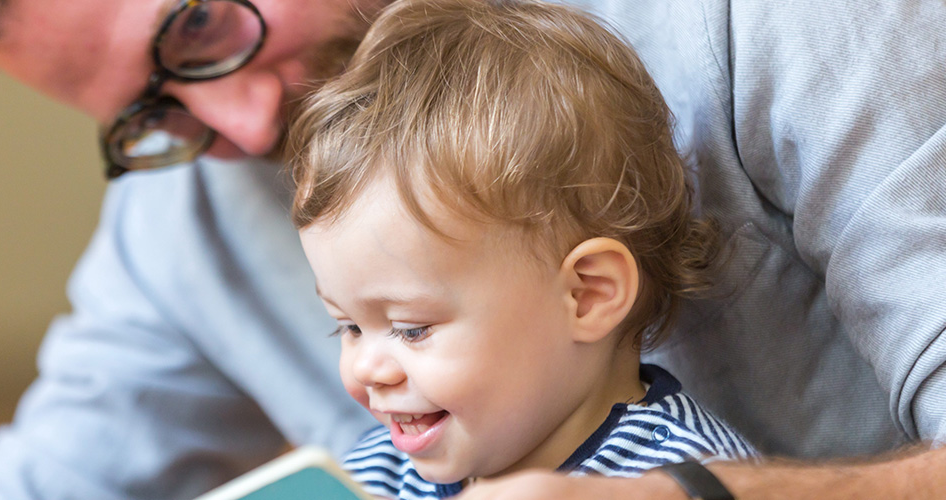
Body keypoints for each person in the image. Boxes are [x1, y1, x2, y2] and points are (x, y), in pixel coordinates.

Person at [0, 0, 946, 498]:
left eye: (196, 26)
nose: (235, 129)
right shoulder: (186, 214)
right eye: (153, 111)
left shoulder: (774, 20)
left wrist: (689, 497)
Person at [288, 1, 757, 498]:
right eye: (351, 327)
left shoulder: (679, 479)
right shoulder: (374, 475)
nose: (365, 370)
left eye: (411, 328)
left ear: (587, 295)